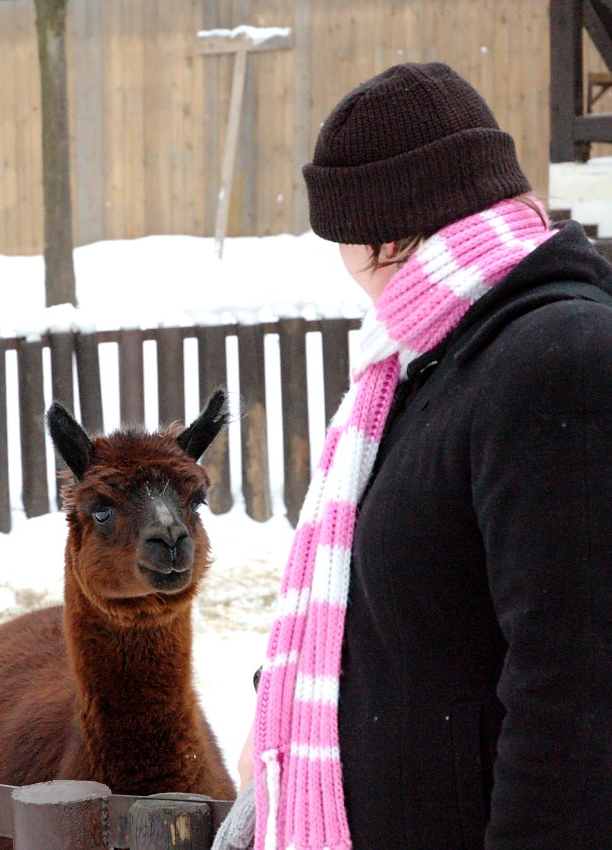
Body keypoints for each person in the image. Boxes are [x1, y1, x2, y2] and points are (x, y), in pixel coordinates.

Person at [213, 62, 612, 850]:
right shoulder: (421, 368)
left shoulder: (557, 359)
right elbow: (383, 611)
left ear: (382, 239)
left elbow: (578, 694)